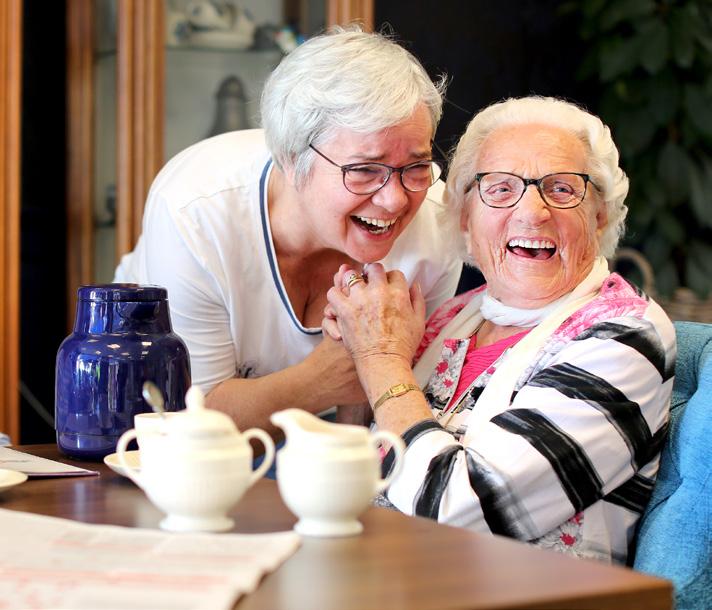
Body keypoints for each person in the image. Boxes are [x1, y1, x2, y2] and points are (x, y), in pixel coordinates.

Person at [323, 96, 676, 564]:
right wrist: (356, 354)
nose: (533, 212)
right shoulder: (450, 318)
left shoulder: (624, 335)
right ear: (466, 218)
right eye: (501, 188)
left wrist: (380, 359)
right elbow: (363, 475)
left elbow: (459, 508)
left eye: (563, 189)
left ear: (600, 214)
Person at [113, 27, 462, 436]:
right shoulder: (197, 211)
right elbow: (190, 421)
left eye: (416, 166)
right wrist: (326, 376)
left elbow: (392, 406)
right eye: (364, 170)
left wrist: (369, 378)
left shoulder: (436, 223)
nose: (395, 200)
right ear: (292, 159)